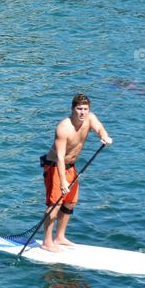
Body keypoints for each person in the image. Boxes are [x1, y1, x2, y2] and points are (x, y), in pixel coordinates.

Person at [39, 93, 113, 252]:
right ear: (73, 109)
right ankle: (47, 241)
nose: (82, 113)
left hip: (71, 166)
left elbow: (99, 127)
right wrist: (63, 180)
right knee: (55, 204)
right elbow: (59, 157)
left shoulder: (90, 118)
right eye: (79, 109)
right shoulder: (63, 128)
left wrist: (104, 136)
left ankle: (59, 237)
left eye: (85, 109)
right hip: (54, 166)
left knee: (70, 202)